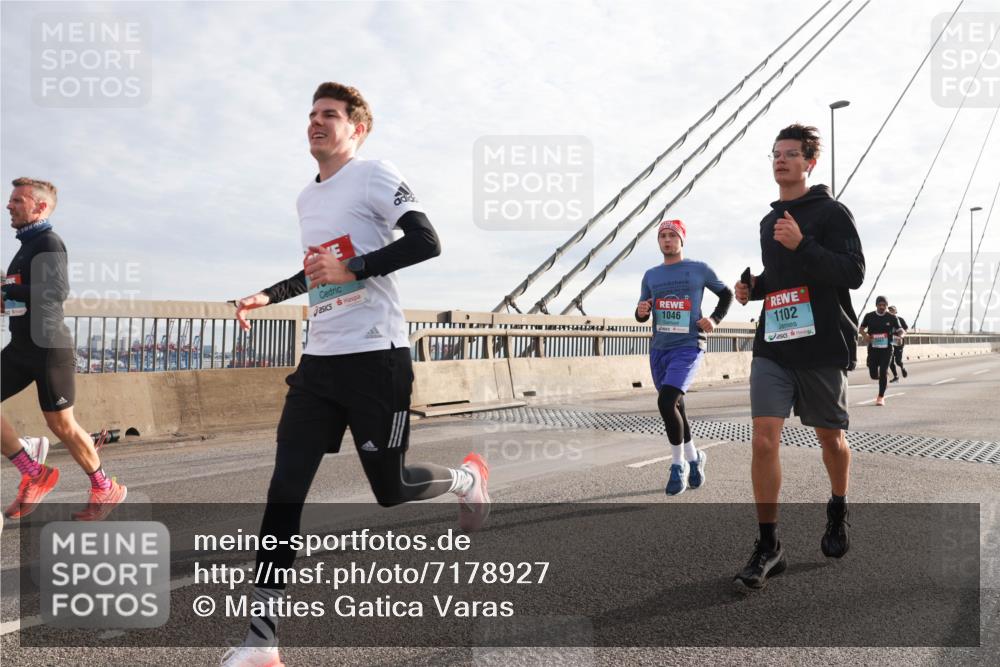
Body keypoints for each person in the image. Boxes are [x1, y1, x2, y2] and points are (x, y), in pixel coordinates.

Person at [221, 82, 489, 667]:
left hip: (377, 360)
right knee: (285, 488)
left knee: (390, 491)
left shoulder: (374, 175)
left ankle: (468, 480)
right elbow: (321, 272)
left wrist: (358, 267)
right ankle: (260, 641)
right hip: (319, 363)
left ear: (357, 128)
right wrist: (269, 295)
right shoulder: (304, 199)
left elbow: (426, 240)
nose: (317, 122)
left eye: (331, 115)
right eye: (312, 114)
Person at [732, 124, 865, 590]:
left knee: (832, 441)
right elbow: (782, 274)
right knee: (764, 440)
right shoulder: (769, 223)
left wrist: (803, 244)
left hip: (821, 346)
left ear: (810, 162)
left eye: (790, 154)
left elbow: (853, 272)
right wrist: (756, 288)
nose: (780, 161)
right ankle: (769, 545)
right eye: (775, 154)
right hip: (774, 344)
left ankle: (838, 505)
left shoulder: (832, 213)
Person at [2, 177, 126, 521]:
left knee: (63, 427)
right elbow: (22, 298)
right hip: (21, 347)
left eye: (16, 200)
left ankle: (104, 487)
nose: (8, 205)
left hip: (48, 349)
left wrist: (8, 292)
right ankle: (33, 470)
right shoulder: (25, 247)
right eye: (10, 200)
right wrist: (5, 298)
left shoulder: (48, 242)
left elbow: (54, 292)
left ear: (39, 206)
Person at [635, 219, 732, 495]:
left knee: (666, 402)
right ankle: (695, 457)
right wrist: (642, 311)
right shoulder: (650, 275)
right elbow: (642, 313)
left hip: (688, 346)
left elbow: (725, 295)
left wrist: (714, 319)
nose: (667, 240)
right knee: (677, 407)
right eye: (662, 236)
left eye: (672, 236)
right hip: (659, 349)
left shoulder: (698, 269)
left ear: (681, 240)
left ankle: (678, 466)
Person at [859, 296, 902, 405]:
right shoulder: (869, 316)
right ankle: (884, 379)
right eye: (880, 305)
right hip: (873, 349)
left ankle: (880, 397)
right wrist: (865, 335)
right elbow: (861, 328)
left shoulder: (892, 317)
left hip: (887, 349)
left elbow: (901, 330)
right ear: (876, 305)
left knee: (883, 371)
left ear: (887, 306)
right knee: (873, 374)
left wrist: (900, 337)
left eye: (884, 305)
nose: (882, 307)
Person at [887, 305, 908, 382]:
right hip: (890, 342)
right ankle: (896, 376)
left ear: (895, 311)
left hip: (898, 342)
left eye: (892, 310)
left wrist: (901, 336)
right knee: (890, 361)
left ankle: (902, 368)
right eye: (889, 310)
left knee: (898, 361)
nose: (890, 311)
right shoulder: (885, 319)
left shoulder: (900, 319)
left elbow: (905, 330)